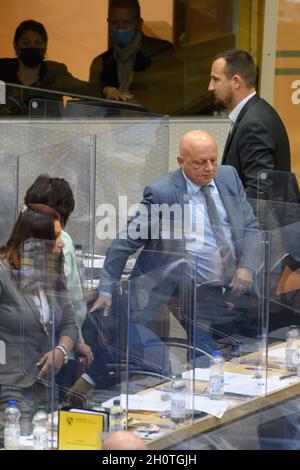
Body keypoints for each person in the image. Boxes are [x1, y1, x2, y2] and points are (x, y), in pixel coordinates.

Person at [91, 130, 259, 355]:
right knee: (205, 356)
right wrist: (106, 289)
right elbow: (125, 241)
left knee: (243, 351)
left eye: (213, 160)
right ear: (182, 162)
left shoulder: (229, 177)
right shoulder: (163, 193)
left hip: (235, 290)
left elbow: (250, 227)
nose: (209, 168)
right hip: (189, 294)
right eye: (200, 163)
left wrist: (246, 266)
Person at [0, 203, 78, 442]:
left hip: (47, 390)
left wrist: (62, 350)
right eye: (55, 236)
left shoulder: (50, 271)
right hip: (10, 391)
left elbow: (70, 323)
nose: (61, 241)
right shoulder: (3, 274)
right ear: (34, 241)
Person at [24, 175, 94, 390]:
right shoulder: (23, 245)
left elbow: (69, 303)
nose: (60, 241)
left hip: (63, 344)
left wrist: (70, 344)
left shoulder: (62, 241)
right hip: (30, 358)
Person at [208, 49, 291, 201]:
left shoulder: (254, 124)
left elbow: (259, 192)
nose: (210, 87)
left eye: (215, 79)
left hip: (257, 224)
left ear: (236, 82)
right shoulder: (258, 112)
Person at [89, 0, 183, 114]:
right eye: (115, 22)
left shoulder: (162, 52)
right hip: (114, 126)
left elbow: (176, 95)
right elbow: (91, 100)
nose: (120, 28)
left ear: (139, 23)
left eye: (126, 22)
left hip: (154, 123)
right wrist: (105, 90)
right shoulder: (101, 62)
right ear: (108, 22)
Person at [0, 19, 100, 115]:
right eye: (26, 43)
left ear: (45, 47)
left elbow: (83, 89)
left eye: (38, 43)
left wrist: (105, 90)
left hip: (48, 131)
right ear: (16, 47)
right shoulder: (3, 71)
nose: (32, 47)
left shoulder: (55, 72)